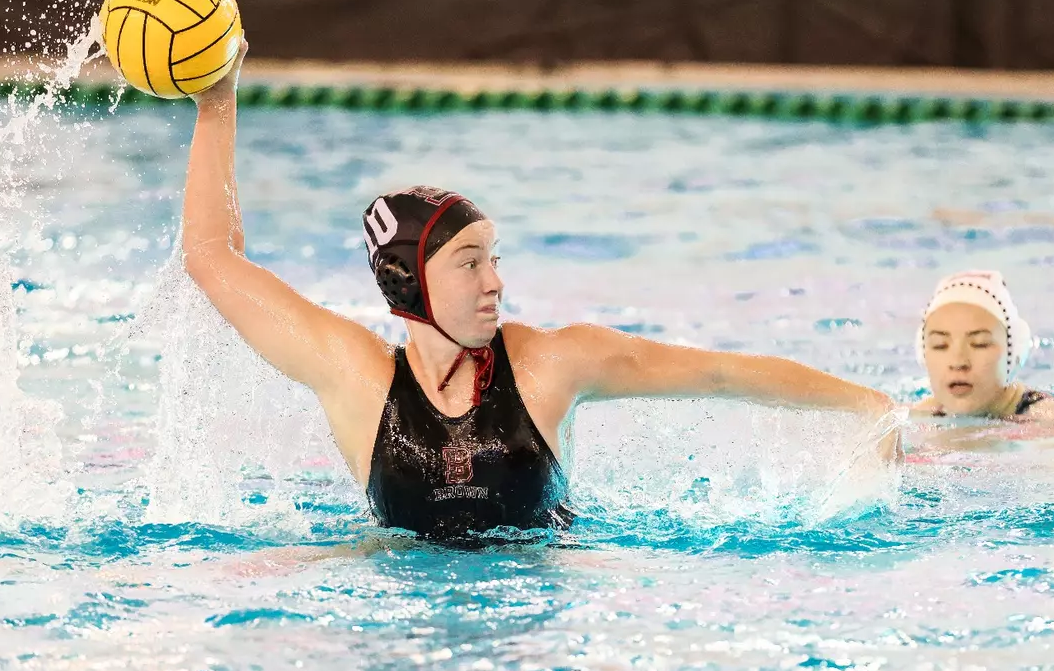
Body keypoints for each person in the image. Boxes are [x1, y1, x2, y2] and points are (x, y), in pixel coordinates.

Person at [180, 50, 900, 539]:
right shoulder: (354, 375)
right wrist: (218, 96)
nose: (494, 281)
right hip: (394, 599)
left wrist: (868, 407)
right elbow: (212, 258)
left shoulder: (550, 365)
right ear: (407, 280)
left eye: (494, 258)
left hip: (545, 597)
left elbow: (717, 371)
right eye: (468, 263)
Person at [912, 269, 1054, 422]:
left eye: (980, 344)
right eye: (939, 345)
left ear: (1014, 352)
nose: (958, 362)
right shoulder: (917, 418)